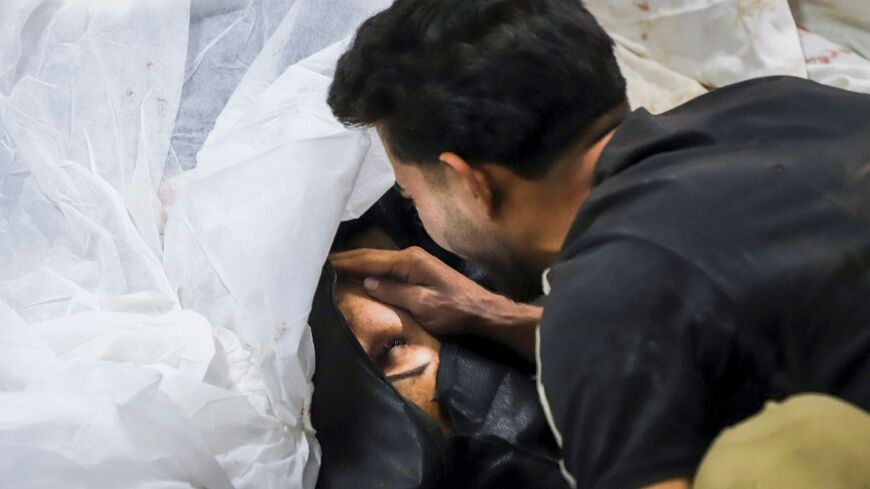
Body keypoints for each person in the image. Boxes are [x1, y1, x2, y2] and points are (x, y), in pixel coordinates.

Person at [326, 0, 870, 488]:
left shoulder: (598, 317)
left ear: (472, 182)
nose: (410, 202)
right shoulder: (774, 100)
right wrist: (500, 318)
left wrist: (574, 335)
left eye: (410, 190)